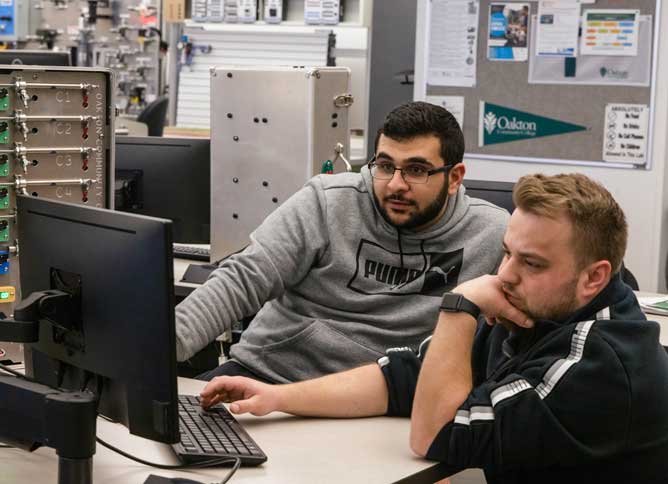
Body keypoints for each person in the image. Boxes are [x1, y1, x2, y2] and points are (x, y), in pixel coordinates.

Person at [200, 173, 668, 483]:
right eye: (507, 252)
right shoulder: (535, 308)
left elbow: (435, 433)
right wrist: (278, 397)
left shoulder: (599, 360)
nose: (505, 273)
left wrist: (457, 307)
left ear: (594, 277)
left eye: (531, 262)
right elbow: (406, 376)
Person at [175, 101, 509, 383]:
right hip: (267, 374)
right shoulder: (328, 202)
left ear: (454, 178)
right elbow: (242, 279)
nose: (395, 184)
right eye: (385, 165)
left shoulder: (493, 235)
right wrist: (161, 350)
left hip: (380, 400)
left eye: (417, 170)